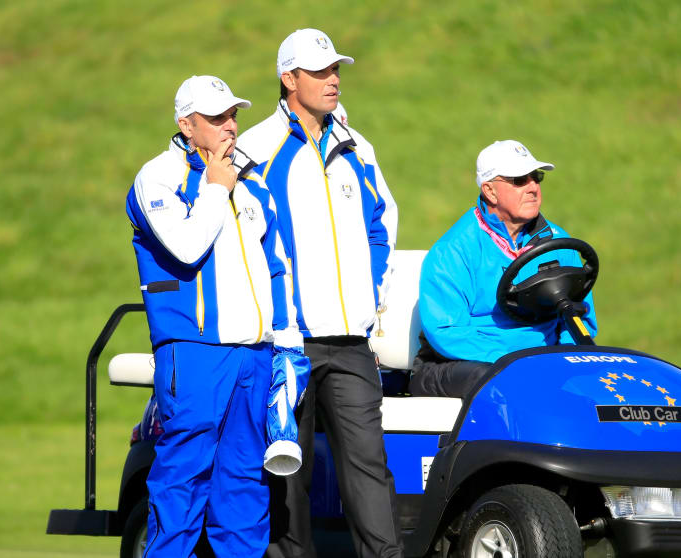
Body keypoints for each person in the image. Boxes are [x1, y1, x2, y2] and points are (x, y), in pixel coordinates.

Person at [125, 75, 309, 558]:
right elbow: (185, 248)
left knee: (245, 490)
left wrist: (288, 342)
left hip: (256, 355)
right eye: (215, 118)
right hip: (195, 352)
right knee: (181, 483)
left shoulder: (253, 183)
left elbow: (278, 269)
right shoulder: (157, 177)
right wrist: (214, 189)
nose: (230, 126)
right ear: (186, 125)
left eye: (233, 115)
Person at [236, 29, 401, 558]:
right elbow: (244, 240)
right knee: (289, 474)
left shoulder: (357, 145)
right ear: (289, 80)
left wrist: (370, 297)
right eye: (320, 71)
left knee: (369, 469)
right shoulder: (256, 148)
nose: (333, 80)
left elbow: (382, 224)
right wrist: (271, 319)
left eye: (336, 70)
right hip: (288, 343)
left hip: (352, 341)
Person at [411, 139, 599, 398]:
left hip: (536, 361)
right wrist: (514, 360)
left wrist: (563, 362)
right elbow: (446, 333)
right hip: (457, 364)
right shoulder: (453, 250)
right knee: (501, 382)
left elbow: (580, 316)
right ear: (490, 191)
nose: (533, 187)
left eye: (536, 177)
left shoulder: (559, 243)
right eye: (519, 180)